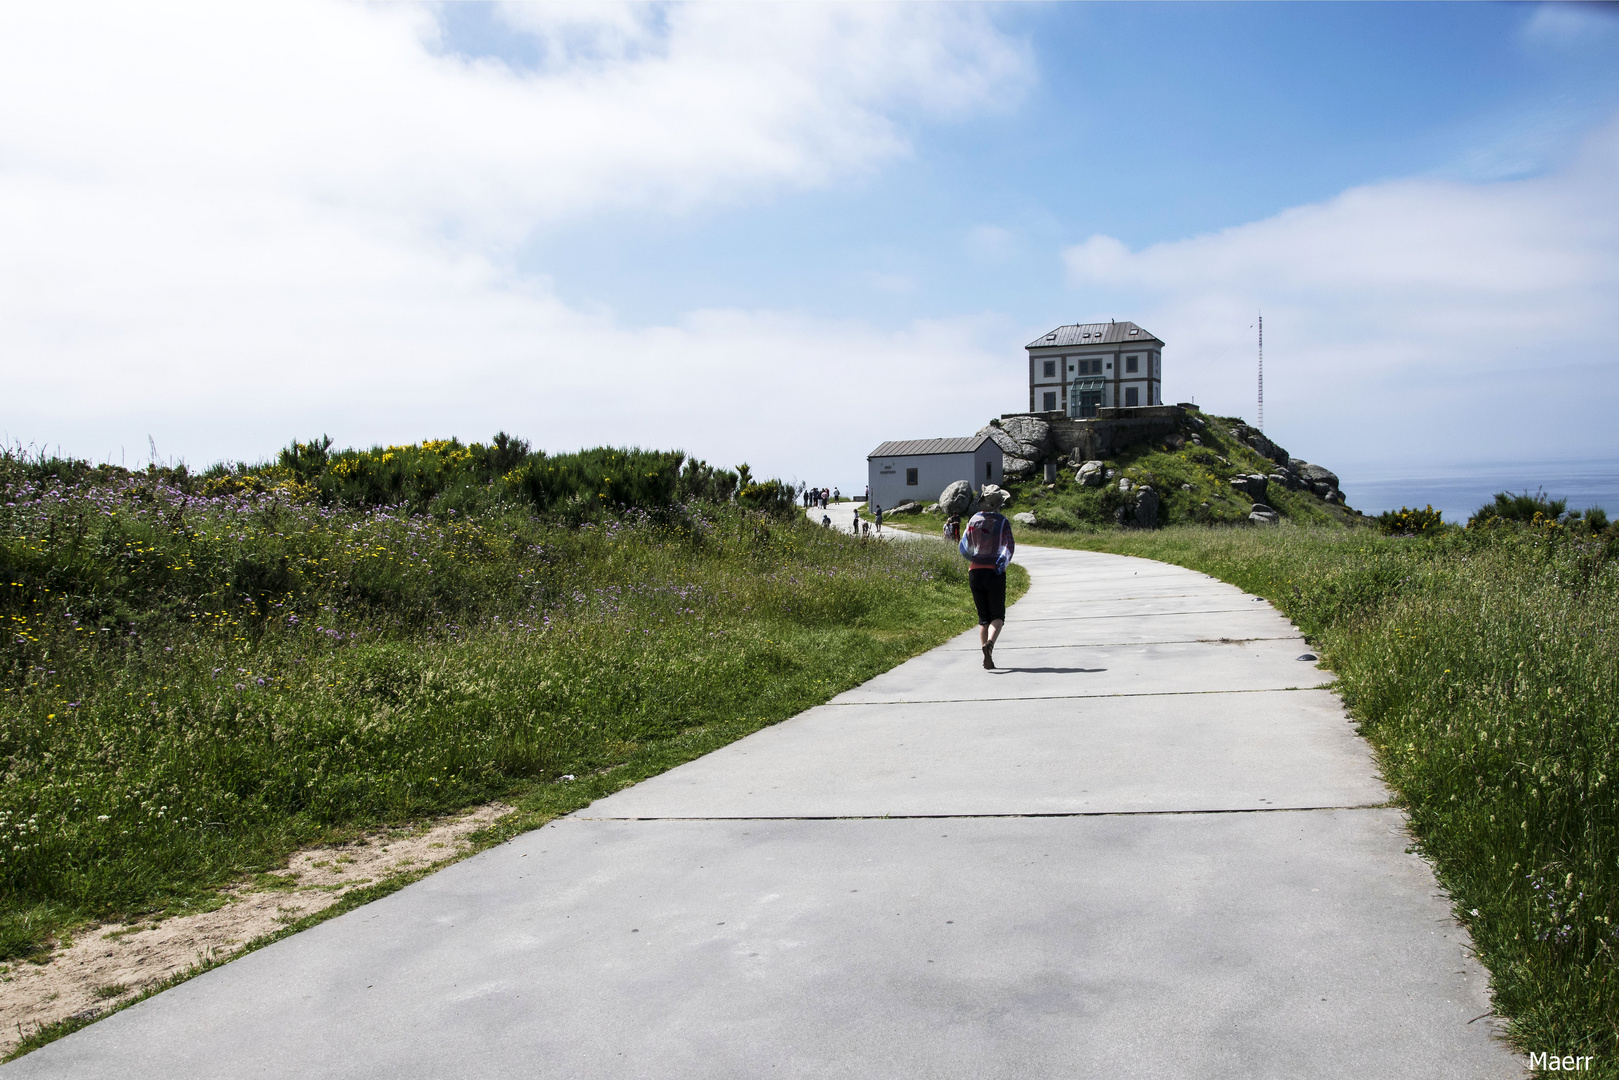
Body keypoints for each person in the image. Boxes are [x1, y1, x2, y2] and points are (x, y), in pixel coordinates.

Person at [959, 491, 1015, 669]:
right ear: (999, 504)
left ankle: (986, 654)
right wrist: (1000, 562)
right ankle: (990, 643)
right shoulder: (1002, 521)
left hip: (975, 572)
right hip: (995, 573)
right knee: (997, 616)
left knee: (983, 617)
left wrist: (976, 557)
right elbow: (1009, 546)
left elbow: (965, 544)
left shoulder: (974, 520)